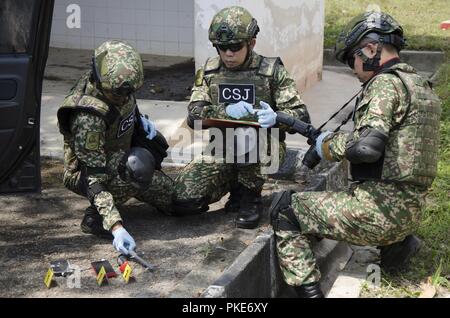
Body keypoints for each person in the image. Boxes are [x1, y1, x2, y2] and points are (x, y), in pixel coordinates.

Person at [270, 11, 442, 298]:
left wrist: (328, 145)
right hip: (410, 210)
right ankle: (396, 245)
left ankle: (309, 293)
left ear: (371, 49)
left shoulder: (385, 84)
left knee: (286, 209)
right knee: (325, 207)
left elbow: (366, 148)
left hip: (377, 212)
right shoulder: (420, 87)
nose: (353, 68)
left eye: (353, 59)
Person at [173, 6, 311, 229]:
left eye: (235, 47)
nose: (228, 53)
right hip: (221, 148)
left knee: (246, 137)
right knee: (183, 201)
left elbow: (301, 115)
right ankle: (233, 184)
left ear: (251, 43)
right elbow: (194, 117)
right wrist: (224, 111)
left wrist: (277, 118)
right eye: (222, 47)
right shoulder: (210, 72)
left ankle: (249, 196)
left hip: (266, 148)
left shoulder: (271, 71)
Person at [57, 40, 173, 255]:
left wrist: (140, 122)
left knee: (177, 201)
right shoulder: (88, 117)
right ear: (100, 81)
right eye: (117, 94)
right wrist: (115, 226)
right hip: (86, 172)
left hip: (118, 155)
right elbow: (94, 180)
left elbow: (126, 109)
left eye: (128, 93)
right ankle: (96, 217)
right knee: (136, 167)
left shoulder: (120, 84)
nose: (123, 98)